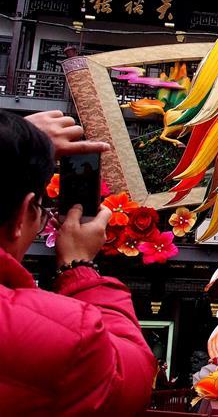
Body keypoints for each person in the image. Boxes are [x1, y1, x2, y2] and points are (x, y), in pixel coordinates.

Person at [0, 110, 156, 415]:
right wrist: (78, 266)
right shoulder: (67, 336)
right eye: (40, 207)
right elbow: (132, 382)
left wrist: (12, 143)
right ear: (21, 215)